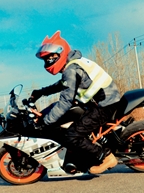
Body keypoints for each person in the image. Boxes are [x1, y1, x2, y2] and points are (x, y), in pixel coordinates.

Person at [31, 31, 122, 174]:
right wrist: (41, 92)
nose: (47, 62)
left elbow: (65, 101)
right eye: (46, 59)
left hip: (105, 104)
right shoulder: (72, 65)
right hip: (102, 101)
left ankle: (105, 156)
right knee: (74, 120)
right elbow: (63, 85)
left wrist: (46, 121)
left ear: (60, 53)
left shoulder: (71, 69)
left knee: (71, 135)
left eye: (50, 58)